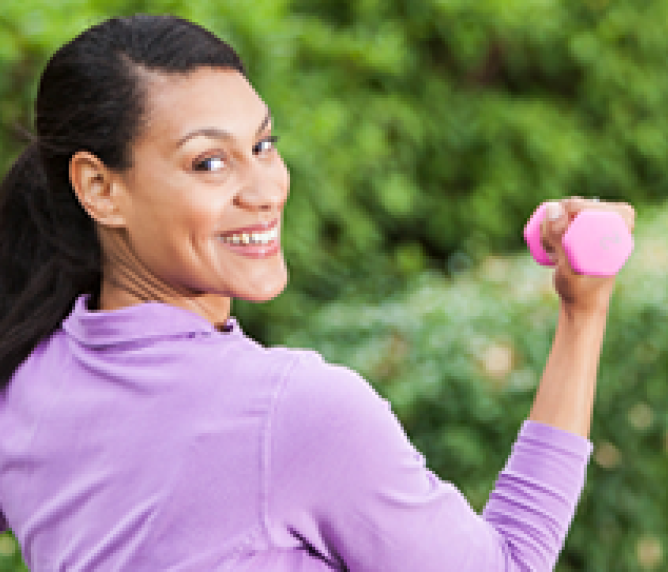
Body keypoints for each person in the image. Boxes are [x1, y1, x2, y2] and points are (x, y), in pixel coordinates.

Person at [0, 14, 635, 571]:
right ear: (99, 188)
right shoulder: (293, 413)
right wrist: (585, 310)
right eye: (209, 163)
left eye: (262, 146)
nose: (264, 190)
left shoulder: (28, 380)